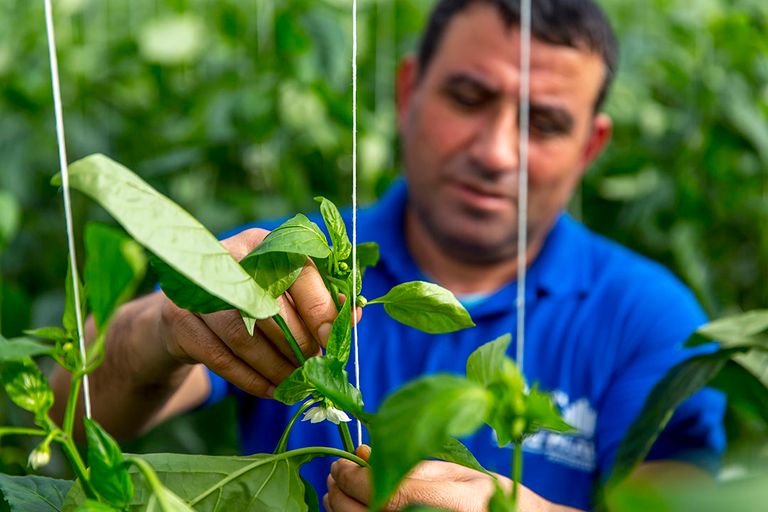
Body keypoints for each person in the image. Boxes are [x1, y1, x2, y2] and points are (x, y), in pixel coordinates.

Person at [51, 0, 725, 510]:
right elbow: (54, 420)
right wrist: (162, 327)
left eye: (544, 123)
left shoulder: (650, 318)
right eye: (468, 97)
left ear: (591, 148)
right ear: (408, 93)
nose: (496, 152)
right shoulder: (298, 261)